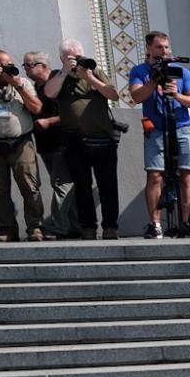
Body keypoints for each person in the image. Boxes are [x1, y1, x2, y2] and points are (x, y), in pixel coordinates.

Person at [125, 31, 190, 239]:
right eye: (159, 47)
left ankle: (185, 222)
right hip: (156, 129)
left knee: (185, 175)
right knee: (154, 175)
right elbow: (137, 96)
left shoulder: (181, 72)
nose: (164, 51)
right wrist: (154, 81)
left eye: (166, 47)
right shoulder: (139, 71)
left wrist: (176, 94)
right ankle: (156, 224)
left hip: (181, 127)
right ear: (148, 48)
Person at [48, 40, 123, 239]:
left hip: (102, 139)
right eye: (71, 58)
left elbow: (114, 95)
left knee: (108, 185)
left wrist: (89, 78)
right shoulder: (58, 75)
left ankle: (110, 227)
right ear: (62, 59)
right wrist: (65, 71)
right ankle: (88, 226)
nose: (77, 60)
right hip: (74, 140)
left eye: (79, 56)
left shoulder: (95, 72)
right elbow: (49, 93)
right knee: (82, 186)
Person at [0, 48, 44, 241]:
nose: (7, 68)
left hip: (21, 143)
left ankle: (35, 227)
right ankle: (7, 230)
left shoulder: (22, 82)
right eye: (2, 65)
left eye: (10, 64)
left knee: (30, 187)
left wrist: (18, 86)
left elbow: (37, 108)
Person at [22, 52, 75, 240]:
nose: (26, 69)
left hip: (62, 141)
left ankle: (59, 227)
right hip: (45, 144)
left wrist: (49, 122)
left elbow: (73, 112)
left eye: (29, 65)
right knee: (61, 184)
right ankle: (73, 226)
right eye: (25, 65)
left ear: (43, 66)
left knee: (62, 184)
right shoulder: (33, 88)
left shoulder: (59, 82)